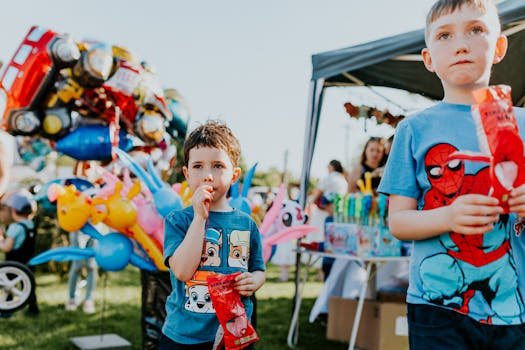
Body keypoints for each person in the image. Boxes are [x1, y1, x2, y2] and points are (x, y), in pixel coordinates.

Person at [378, 1, 525, 348]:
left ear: (499, 46)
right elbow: (398, 222)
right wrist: (449, 215)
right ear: (429, 59)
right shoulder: (413, 129)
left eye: (476, 29)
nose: (461, 44)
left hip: (514, 306)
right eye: (444, 35)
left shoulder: (521, 124)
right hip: (437, 308)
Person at [159, 120, 266, 349]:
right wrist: (199, 217)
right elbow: (182, 270)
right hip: (183, 337)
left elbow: (258, 268)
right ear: (187, 174)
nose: (208, 175)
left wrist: (254, 281)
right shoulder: (179, 221)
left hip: (233, 334)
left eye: (218, 165)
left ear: (234, 175)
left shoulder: (246, 224)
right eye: (198, 166)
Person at [0, 189, 39, 316]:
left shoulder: (15, 227)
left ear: (13, 210)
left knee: (8, 285)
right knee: (29, 286)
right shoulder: (31, 225)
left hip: (13, 263)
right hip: (28, 262)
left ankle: (7, 310)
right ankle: (33, 309)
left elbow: (7, 247)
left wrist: (1, 239)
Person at [65, 230, 97, 314]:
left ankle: (88, 300)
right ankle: (72, 298)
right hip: (76, 228)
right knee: (76, 265)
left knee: (91, 266)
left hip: (94, 229)